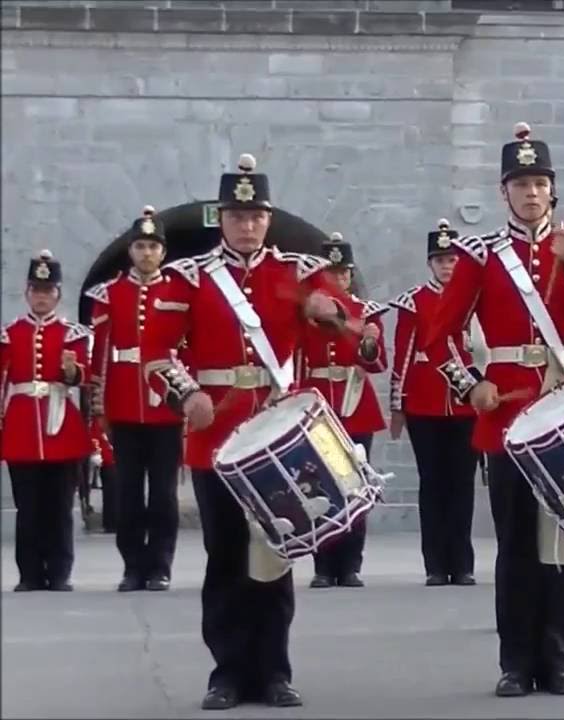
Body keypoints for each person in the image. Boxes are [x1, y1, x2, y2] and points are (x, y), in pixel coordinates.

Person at [143, 153, 360, 709]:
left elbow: (355, 337)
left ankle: (274, 671)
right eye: (237, 216)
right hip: (215, 434)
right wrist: (186, 393)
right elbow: (156, 354)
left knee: (276, 552)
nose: (247, 225)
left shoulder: (299, 273)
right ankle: (227, 673)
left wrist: (330, 313)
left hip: (276, 431)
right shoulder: (189, 277)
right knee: (225, 554)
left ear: (268, 219)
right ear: (222, 218)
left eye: (256, 215)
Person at [419, 122, 564, 697]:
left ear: (552, 190)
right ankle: (515, 662)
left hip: (561, 406)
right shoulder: (482, 256)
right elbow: (438, 336)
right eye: (520, 184)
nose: (531, 193)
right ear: (503, 191)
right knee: (513, 544)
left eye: (539, 183)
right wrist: (470, 385)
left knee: (560, 542)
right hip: (506, 413)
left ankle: (557, 660)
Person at [85, 205, 186, 592]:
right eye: (141, 246)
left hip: (166, 410)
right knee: (127, 494)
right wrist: (100, 407)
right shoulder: (110, 295)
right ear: (130, 250)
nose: (146, 253)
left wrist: (186, 399)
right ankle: (132, 566)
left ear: (163, 252)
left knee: (163, 495)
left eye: (153, 246)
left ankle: (160, 565)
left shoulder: (176, 292)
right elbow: (100, 355)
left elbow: (187, 351)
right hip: (125, 406)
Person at [389, 219, 482, 587]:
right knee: (432, 483)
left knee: (462, 484)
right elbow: (403, 355)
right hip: (424, 404)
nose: (447, 266)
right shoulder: (415, 301)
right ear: (430, 264)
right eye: (440, 260)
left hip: (466, 405)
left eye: (452, 260)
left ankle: (462, 563)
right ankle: (435, 565)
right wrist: (398, 404)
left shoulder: (475, 298)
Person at [299, 232, 389, 589]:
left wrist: (368, 342)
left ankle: (350, 564)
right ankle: (323, 565)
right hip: (318, 401)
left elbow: (376, 363)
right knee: (319, 485)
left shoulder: (365, 312)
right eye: (331, 273)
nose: (338, 278)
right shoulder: (306, 312)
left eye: (343, 273)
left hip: (355, 405)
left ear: (350, 276)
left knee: (355, 485)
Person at [0, 250, 93, 592]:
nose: (42, 297)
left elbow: (85, 376)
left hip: (60, 426)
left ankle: (59, 571)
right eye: (36, 290)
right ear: (27, 293)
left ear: (57, 294)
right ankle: (29, 573)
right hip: (22, 427)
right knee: (28, 507)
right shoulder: (9, 334)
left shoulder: (73, 334)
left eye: (48, 290)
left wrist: (71, 371)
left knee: (59, 507)